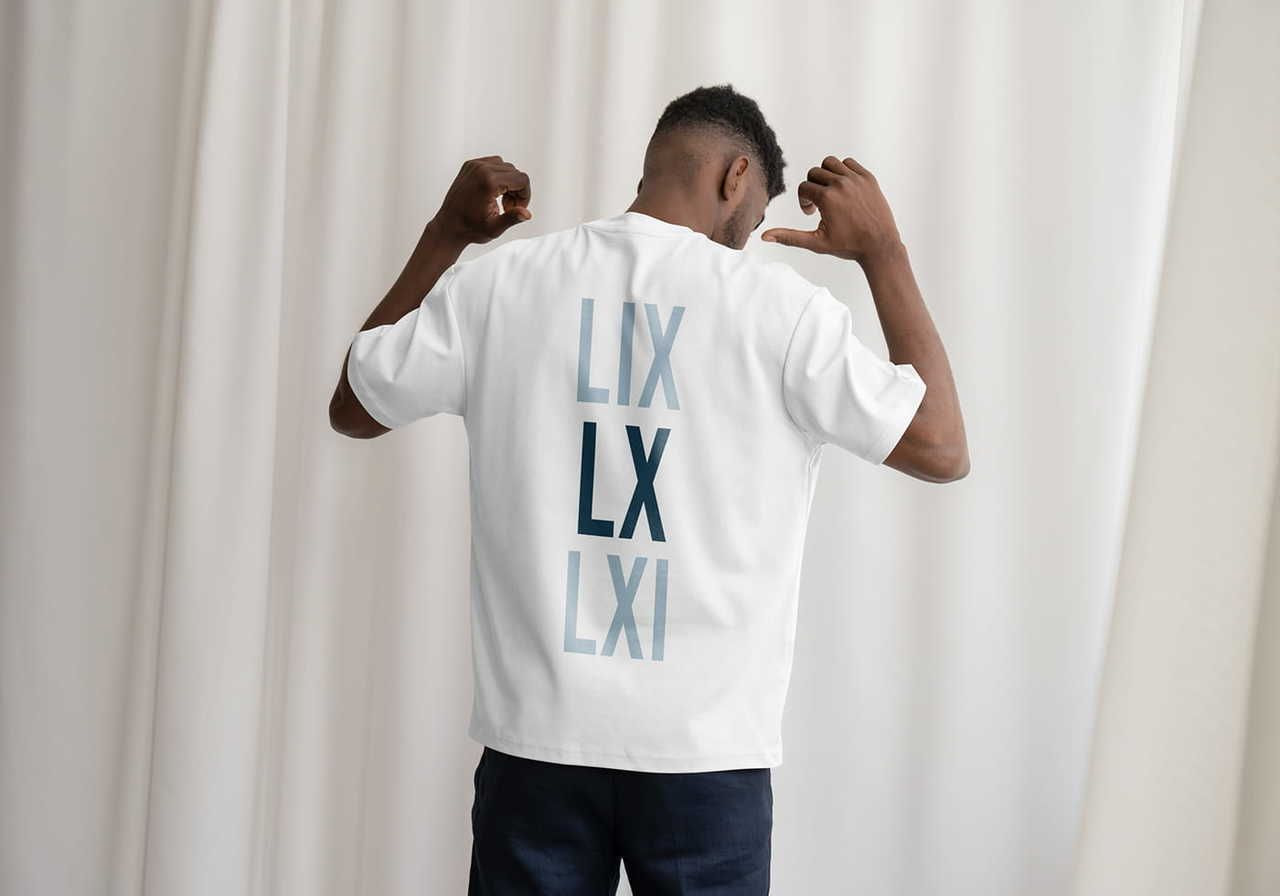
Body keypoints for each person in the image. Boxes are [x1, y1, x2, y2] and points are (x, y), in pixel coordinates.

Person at [329, 83, 968, 895]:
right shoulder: (779, 310)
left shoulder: (503, 285)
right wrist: (883, 251)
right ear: (736, 178)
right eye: (752, 219)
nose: (744, 241)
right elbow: (942, 447)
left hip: (536, 747)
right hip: (705, 755)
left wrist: (446, 235)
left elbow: (355, 407)